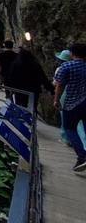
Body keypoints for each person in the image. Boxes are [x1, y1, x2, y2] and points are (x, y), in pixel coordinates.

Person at [53, 43, 86, 172]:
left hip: (72, 103)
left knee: (69, 128)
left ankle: (82, 156)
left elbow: (59, 84)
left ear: (72, 53)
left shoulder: (66, 66)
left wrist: (56, 100)